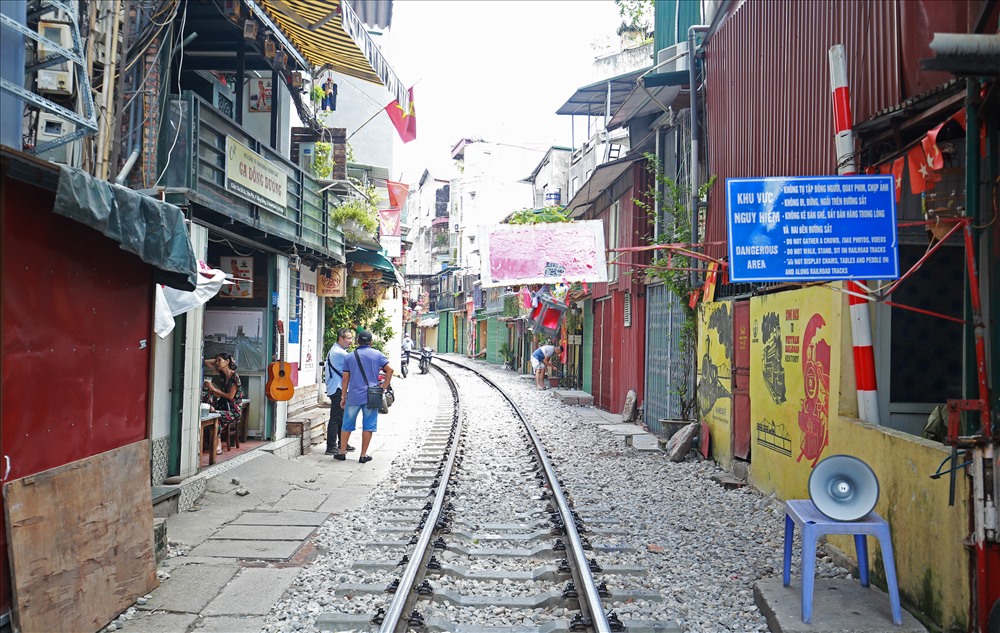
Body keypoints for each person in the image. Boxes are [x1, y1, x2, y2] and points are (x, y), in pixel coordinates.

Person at [337, 330, 393, 464]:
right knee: (368, 425)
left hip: (354, 396)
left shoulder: (349, 357)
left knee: (347, 424)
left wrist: (343, 396)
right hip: (372, 396)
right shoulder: (377, 354)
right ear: (371, 342)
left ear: (357, 342)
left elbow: (345, 379)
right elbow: (390, 369)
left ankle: (342, 452)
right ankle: (363, 455)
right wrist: (383, 387)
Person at [324, 328, 355, 455]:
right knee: (336, 418)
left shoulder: (337, 350)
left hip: (338, 387)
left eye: (351, 338)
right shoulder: (340, 353)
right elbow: (354, 362)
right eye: (348, 338)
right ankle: (331, 446)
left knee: (341, 417)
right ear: (340, 339)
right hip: (338, 388)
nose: (350, 341)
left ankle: (342, 443)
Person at [203, 353, 242, 454]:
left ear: (227, 362)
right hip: (224, 406)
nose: (217, 363)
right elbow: (204, 362)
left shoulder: (235, 377)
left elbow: (230, 396)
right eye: (216, 361)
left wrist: (214, 388)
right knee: (208, 394)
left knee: (217, 417)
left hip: (234, 410)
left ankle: (218, 443)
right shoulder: (222, 373)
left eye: (219, 360)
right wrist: (218, 359)